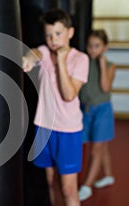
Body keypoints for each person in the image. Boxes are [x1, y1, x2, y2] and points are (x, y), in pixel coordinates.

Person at [22, 8, 89, 206]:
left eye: (58, 33)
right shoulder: (44, 51)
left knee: (68, 189)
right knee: (50, 181)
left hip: (68, 130)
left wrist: (61, 60)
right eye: (49, 35)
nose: (53, 39)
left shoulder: (80, 59)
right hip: (44, 127)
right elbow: (34, 53)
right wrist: (27, 58)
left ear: (70, 32)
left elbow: (69, 95)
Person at [78, 29, 116, 201]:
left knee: (97, 148)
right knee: (101, 146)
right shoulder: (84, 61)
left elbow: (105, 87)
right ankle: (108, 175)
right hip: (86, 109)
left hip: (102, 110)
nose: (92, 49)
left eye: (97, 46)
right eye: (90, 45)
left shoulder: (110, 65)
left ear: (105, 47)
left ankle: (87, 186)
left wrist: (102, 64)